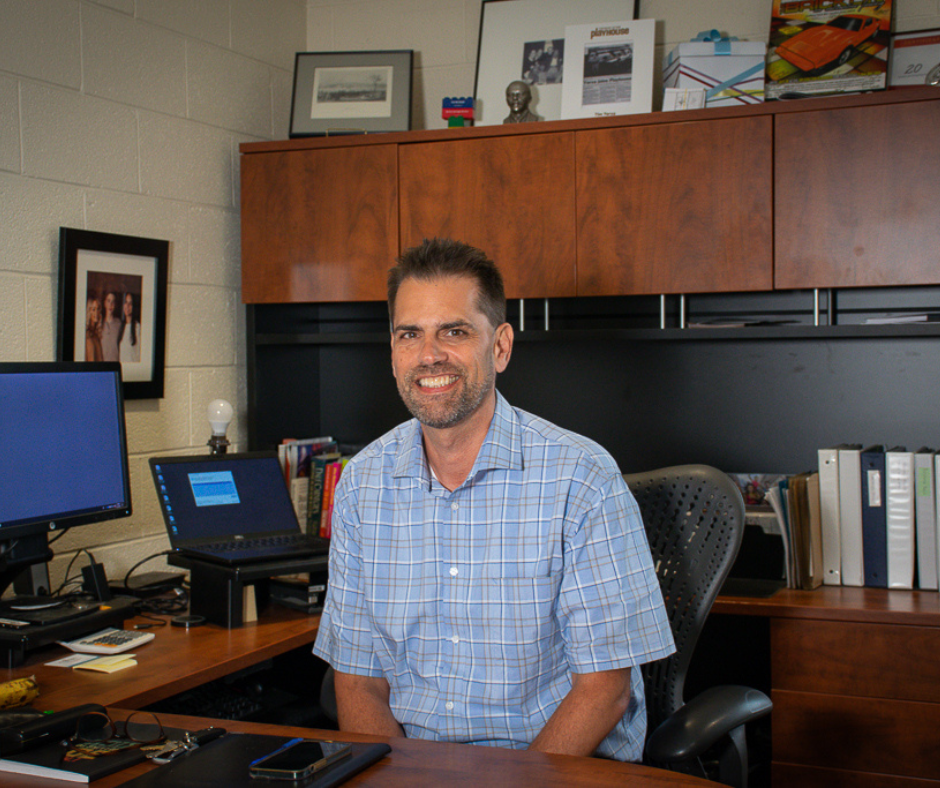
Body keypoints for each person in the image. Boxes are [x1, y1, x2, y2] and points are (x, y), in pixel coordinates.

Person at [313, 238, 674, 762]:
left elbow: (605, 692)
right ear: (392, 352)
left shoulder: (581, 479)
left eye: (454, 332)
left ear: (500, 347)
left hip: (558, 770)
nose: (429, 354)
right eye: (409, 334)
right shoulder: (362, 486)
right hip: (415, 771)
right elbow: (357, 682)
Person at [118, 292, 141, 363]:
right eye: (126, 302)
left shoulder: (138, 327)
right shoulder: (121, 326)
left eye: (130, 303)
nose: (127, 306)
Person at [100, 291, 121, 362]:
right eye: (108, 301)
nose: (110, 304)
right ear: (104, 303)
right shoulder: (99, 323)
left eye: (113, 302)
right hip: (102, 366)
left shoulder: (119, 324)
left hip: (115, 364)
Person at [85, 296, 104, 362]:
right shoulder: (85, 335)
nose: (96, 312)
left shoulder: (97, 334)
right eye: (93, 309)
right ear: (89, 311)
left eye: (98, 309)